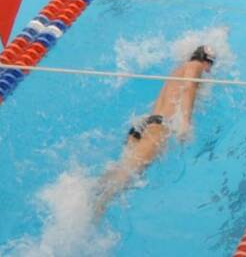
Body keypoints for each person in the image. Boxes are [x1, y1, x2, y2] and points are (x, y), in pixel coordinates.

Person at [88, 41, 215, 212]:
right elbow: (189, 87)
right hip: (158, 128)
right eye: (210, 65)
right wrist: (185, 122)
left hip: (145, 125)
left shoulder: (178, 69)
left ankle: (88, 191)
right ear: (206, 61)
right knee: (126, 177)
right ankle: (94, 210)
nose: (209, 71)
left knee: (124, 169)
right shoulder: (195, 66)